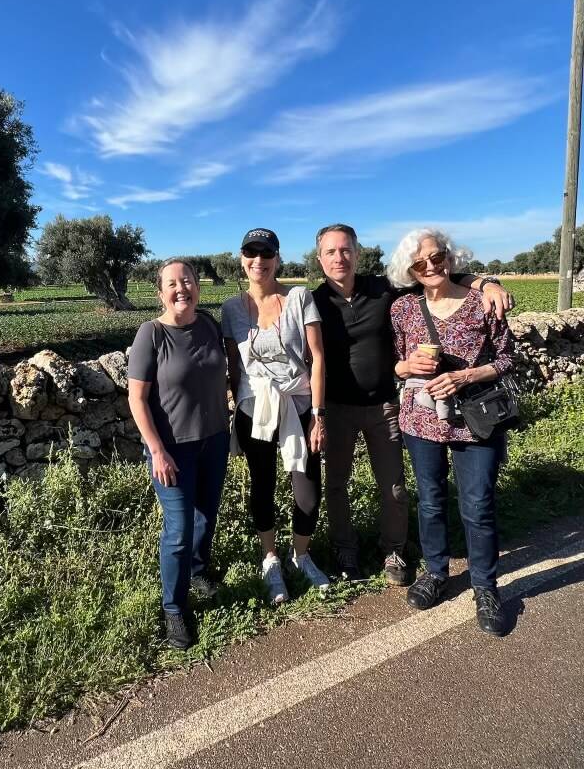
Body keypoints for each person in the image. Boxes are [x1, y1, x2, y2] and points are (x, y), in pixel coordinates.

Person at [312, 224, 512, 586]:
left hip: (385, 406)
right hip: (337, 407)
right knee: (337, 485)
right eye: (331, 252)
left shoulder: (385, 289)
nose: (339, 258)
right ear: (319, 258)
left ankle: (395, 551)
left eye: (346, 250)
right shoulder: (311, 302)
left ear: (358, 253)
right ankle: (346, 551)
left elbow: (436, 272)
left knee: (394, 487)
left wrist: (486, 283)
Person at [388, 228, 514, 637]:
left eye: (436, 257)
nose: (430, 266)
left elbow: (508, 359)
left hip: (475, 420)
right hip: (421, 420)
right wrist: (407, 368)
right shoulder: (404, 308)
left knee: (477, 504)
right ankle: (436, 572)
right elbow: (395, 362)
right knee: (430, 499)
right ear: (409, 270)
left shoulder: (483, 302)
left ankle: (485, 587)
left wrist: (465, 376)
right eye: (419, 263)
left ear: (449, 256)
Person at [222, 228, 328, 605]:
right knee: (262, 485)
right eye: (251, 253)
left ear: (277, 259)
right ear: (241, 258)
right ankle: (270, 559)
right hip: (255, 411)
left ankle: (301, 556)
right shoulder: (231, 309)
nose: (258, 261)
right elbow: (234, 368)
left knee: (308, 492)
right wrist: (236, 411)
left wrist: (318, 414)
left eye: (266, 254)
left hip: (298, 407)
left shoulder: (299, 298)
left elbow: (317, 358)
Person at [128, 259, 230, 650]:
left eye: (187, 280)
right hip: (171, 449)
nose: (181, 288)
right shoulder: (150, 334)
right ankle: (174, 608)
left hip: (214, 440)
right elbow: (137, 399)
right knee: (178, 530)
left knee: (207, 514)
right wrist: (156, 450)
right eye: (172, 283)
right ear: (160, 293)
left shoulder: (208, 324)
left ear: (197, 287)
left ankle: (199, 571)